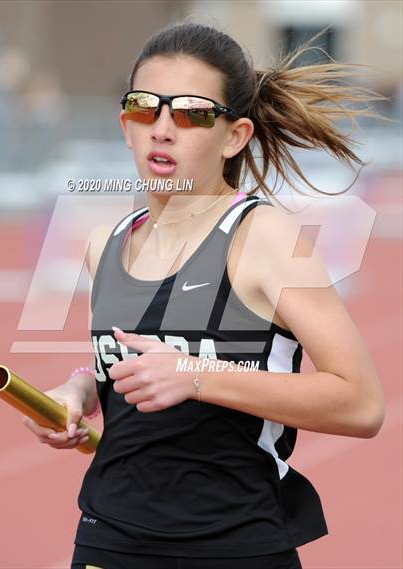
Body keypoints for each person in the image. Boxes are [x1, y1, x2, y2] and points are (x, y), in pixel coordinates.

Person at [23, 22, 385, 569]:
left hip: (235, 544)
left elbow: (361, 405)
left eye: (191, 112)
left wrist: (194, 376)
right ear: (127, 125)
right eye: (146, 108)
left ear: (235, 136)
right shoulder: (107, 243)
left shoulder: (264, 238)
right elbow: (137, 359)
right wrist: (82, 391)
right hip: (108, 539)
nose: (162, 129)